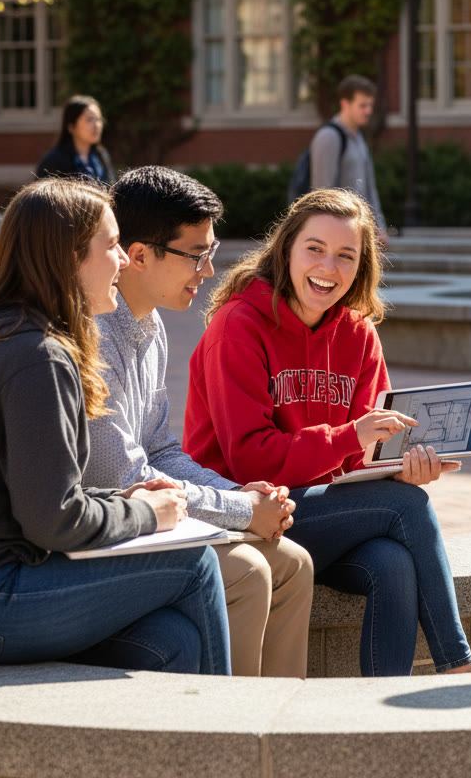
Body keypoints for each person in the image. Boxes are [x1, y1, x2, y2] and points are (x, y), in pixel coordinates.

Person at [183, 187, 471, 677]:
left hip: (320, 512)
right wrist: (349, 439)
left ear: (361, 268)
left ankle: (381, 712)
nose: (329, 267)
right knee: (409, 508)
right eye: (315, 249)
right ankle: (459, 667)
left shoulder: (358, 333)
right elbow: (250, 459)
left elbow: (363, 455)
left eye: (346, 256)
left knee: (393, 563)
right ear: (287, 250)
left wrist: (398, 467)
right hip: (246, 511)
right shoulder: (239, 325)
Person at [0, 178, 230, 675]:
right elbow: (55, 520)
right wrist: (145, 512)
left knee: (172, 640)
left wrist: (131, 504)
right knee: (195, 564)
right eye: (112, 245)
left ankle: (181, 748)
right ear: (70, 258)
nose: (122, 262)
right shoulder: (38, 358)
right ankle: (233, 749)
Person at [83, 166, 314, 678]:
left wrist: (244, 496)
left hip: (151, 522)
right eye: (197, 254)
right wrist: (240, 508)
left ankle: (285, 728)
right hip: (100, 537)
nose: (209, 271)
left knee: (294, 565)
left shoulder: (154, 325)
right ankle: (233, 738)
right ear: (139, 255)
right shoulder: (93, 333)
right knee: (249, 572)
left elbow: (162, 450)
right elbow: (124, 479)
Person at [309, 75, 386, 239]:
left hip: (358, 231)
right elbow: (321, 194)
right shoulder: (328, 137)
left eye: (370, 105)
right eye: (363, 105)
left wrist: (379, 226)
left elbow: (370, 189)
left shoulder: (359, 138)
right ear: (345, 104)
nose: (369, 111)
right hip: (337, 235)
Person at [36, 95, 116, 184]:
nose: (97, 125)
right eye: (90, 120)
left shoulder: (100, 155)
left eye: (99, 119)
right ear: (71, 127)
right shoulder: (54, 160)